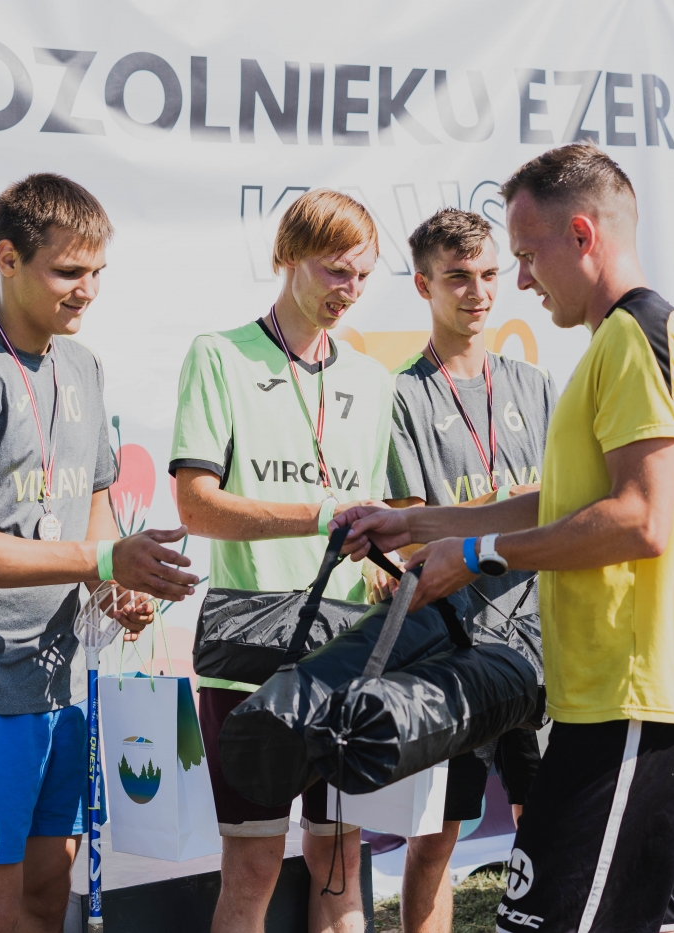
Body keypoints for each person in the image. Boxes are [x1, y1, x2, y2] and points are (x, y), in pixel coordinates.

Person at [336, 143, 674, 933]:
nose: (517, 282)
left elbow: (641, 519)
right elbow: (560, 501)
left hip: (635, 690)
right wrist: (418, 523)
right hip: (614, 690)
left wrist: (478, 555)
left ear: (582, 235)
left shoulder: (636, 336)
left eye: (523, 257)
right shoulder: (618, 340)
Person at [0, 174, 199, 933]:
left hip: (62, 682)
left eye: (97, 272)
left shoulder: (83, 366)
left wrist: (121, 591)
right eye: (68, 271)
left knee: (43, 899)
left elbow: (92, 519)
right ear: (7, 258)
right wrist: (103, 563)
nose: (87, 290)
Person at [170, 189, 393, 933]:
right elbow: (196, 505)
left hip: (348, 649)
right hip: (250, 648)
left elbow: (381, 517)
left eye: (362, 276)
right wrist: (318, 514)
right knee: (253, 866)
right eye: (335, 271)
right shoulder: (220, 355)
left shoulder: (373, 379)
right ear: (288, 256)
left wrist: (388, 554)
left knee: (340, 861)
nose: (349, 291)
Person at [384, 208, 553, 933]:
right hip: (449, 651)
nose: (478, 292)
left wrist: (494, 515)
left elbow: (561, 509)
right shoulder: (400, 396)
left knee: (546, 828)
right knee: (434, 841)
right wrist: (514, 507)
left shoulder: (534, 385)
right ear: (423, 284)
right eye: (457, 277)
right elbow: (410, 533)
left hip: (537, 643)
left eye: (488, 274)